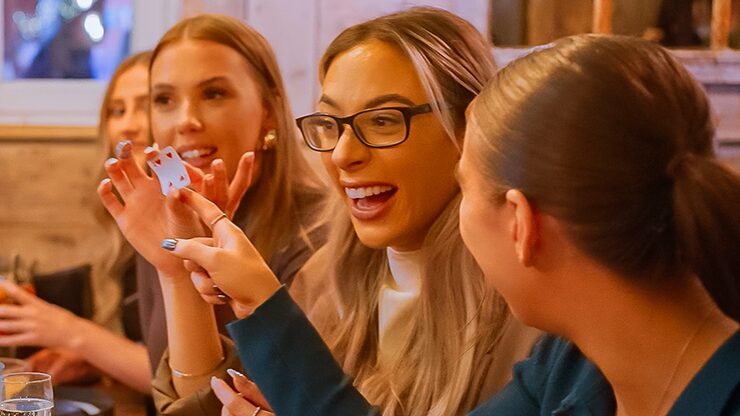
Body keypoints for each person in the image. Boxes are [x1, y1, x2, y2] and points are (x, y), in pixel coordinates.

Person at [169, 33, 740, 415]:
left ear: (521, 224)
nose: (344, 155)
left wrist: (264, 304)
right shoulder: (569, 368)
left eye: (465, 188)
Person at [154, 8, 540, 416]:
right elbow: (218, 403)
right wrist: (179, 273)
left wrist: (263, 305)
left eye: (383, 121)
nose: (342, 154)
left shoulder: (527, 303)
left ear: (467, 127)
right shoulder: (326, 280)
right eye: (330, 124)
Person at [97, 14, 327, 414]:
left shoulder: (321, 236)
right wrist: (179, 267)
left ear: (268, 110)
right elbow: (183, 400)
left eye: (214, 93)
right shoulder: (165, 220)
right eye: (164, 100)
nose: (185, 120)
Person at [0, 51, 154, 393]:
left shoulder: (191, 222)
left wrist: (71, 331)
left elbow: (188, 380)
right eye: (117, 110)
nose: (128, 124)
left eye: (147, 106)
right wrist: (92, 361)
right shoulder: (126, 226)